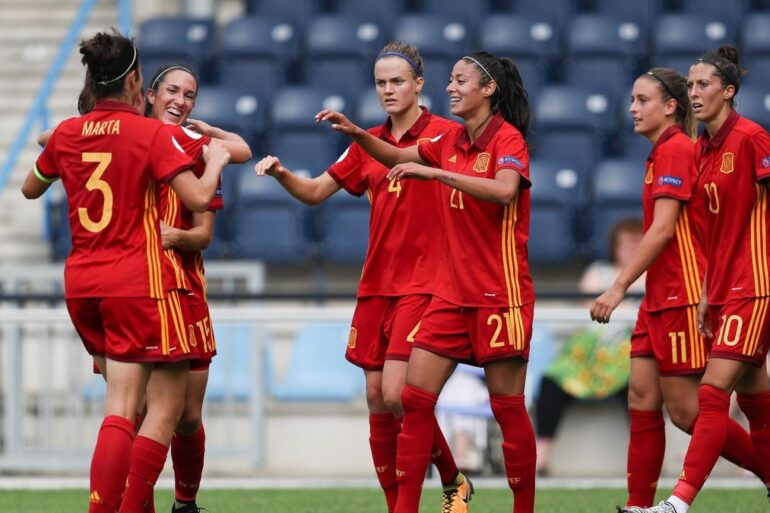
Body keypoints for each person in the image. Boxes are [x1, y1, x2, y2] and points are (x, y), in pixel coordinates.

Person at [317, 49, 537, 513]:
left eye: (460, 81)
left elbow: (503, 191)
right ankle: (417, 504)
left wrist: (436, 172)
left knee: (507, 406)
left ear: (488, 89)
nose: (451, 87)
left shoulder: (507, 140)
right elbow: (395, 153)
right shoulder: (451, 139)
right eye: (451, 80)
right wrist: (358, 133)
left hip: (500, 294)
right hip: (449, 295)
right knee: (411, 399)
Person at [20, 31, 230, 513]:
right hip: (137, 283)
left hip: (82, 285)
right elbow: (198, 198)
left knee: (119, 406)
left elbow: (32, 188)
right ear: (136, 81)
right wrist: (215, 161)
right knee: (159, 410)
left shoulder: (69, 133)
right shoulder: (149, 133)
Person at [254, 42, 469, 513]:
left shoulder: (445, 135)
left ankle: (439, 487)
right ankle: (443, 484)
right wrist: (282, 173)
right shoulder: (365, 142)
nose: (388, 90)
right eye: (380, 83)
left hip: (426, 281)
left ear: (419, 84)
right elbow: (314, 193)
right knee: (376, 398)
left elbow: (405, 158)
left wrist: (356, 132)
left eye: (397, 81)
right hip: (376, 284)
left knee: (399, 394)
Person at [591, 66, 766, 510]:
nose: (632, 108)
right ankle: (638, 504)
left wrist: (617, 287)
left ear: (671, 107)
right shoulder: (664, 153)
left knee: (690, 410)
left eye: (642, 99)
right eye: (631, 99)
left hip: (685, 294)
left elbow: (665, 230)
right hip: (660, 297)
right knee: (641, 399)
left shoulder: (677, 150)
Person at [145, 63, 251, 513]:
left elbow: (204, 234)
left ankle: (185, 503)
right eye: (172, 90)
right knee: (137, 413)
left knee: (187, 417)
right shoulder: (127, 141)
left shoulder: (195, 148)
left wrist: (175, 237)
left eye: (189, 95)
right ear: (150, 94)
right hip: (138, 291)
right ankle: (135, 503)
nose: (180, 100)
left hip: (186, 293)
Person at [535, 218, 644, 476]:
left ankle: (643, 460)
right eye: (626, 242)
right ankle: (541, 459)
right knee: (551, 382)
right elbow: (589, 307)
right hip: (591, 351)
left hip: (629, 353)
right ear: (614, 246)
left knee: (640, 389)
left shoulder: (653, 273)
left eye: (638, 243)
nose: (631, 248)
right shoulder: (598, 271)